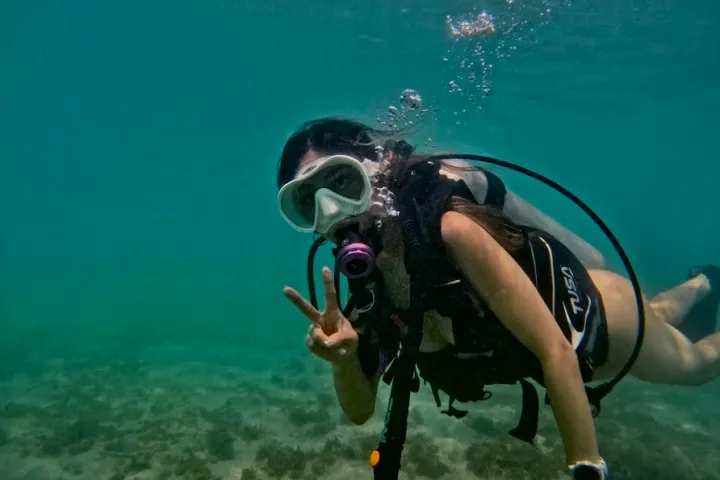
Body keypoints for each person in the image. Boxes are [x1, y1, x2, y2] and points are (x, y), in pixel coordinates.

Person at [275, 117, 720, 480]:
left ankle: (699, 288)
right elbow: (359, 411)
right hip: (596, 310)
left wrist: (587, 468)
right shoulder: (362, 292)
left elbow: (554, 349)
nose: (331, 210)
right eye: (307, 201)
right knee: (659, 313)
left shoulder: (450, 232)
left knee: (699, 366)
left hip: (607, 324)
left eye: (340, 181)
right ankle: (702, 283)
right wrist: (345, 361)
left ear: (374, 174)